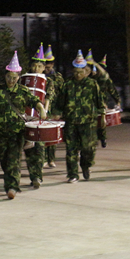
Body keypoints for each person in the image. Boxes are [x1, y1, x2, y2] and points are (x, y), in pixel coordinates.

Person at [0, 51, 47, 199]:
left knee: (14, 160)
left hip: (17, 133)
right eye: (9, 77)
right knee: (4, 160)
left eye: (15, 78)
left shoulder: (23, 91)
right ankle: (11, 181)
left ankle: (12, 187)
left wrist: (41, 108)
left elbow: (35, 101)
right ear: (5, 76)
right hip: (1, 133)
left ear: (19, 77)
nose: (11, 80)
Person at [52, 50, 105, 183]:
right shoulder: (67, 85)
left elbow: (100, 101)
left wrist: (103, 115)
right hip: (71, 121)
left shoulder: (92, 84)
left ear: (86, 72)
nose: (78, 75)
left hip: (88, 121)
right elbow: (60, 101)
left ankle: (86, 165)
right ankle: (72, 174)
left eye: (80, 72)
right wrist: (57, 113)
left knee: (88, 148)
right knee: (71, 149)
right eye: (75, 72)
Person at [23, 45, 55, 189]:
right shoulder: (24, 80)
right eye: (34, 66)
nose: (36, 68)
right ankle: (33, 176)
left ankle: (38, 176)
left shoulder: (48, 82)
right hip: (26, 118)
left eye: (39, 66)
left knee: (39, 147)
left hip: (40, 117)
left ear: (44, 68)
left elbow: (48, 98)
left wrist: (45, 112)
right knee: (29, 149)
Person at [88, 52, 121, 148]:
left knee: (101, 124)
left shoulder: (104, 79)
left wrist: (117, 101)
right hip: (90, 104)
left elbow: (113, 91)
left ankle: (102, 138)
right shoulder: (90, 79)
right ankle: (93, 140)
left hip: (101, 104)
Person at [43, 44, 64, 168]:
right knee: (42, 134)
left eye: (49, 62)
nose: (47, 64)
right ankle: (44, 158)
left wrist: (60, 110)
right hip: (41, 108)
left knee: (51, 135)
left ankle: (51, 159)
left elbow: (62, 94)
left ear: (53, 64)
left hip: (54, 108)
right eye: (45, 62)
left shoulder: (57, 77)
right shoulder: (38, 76)